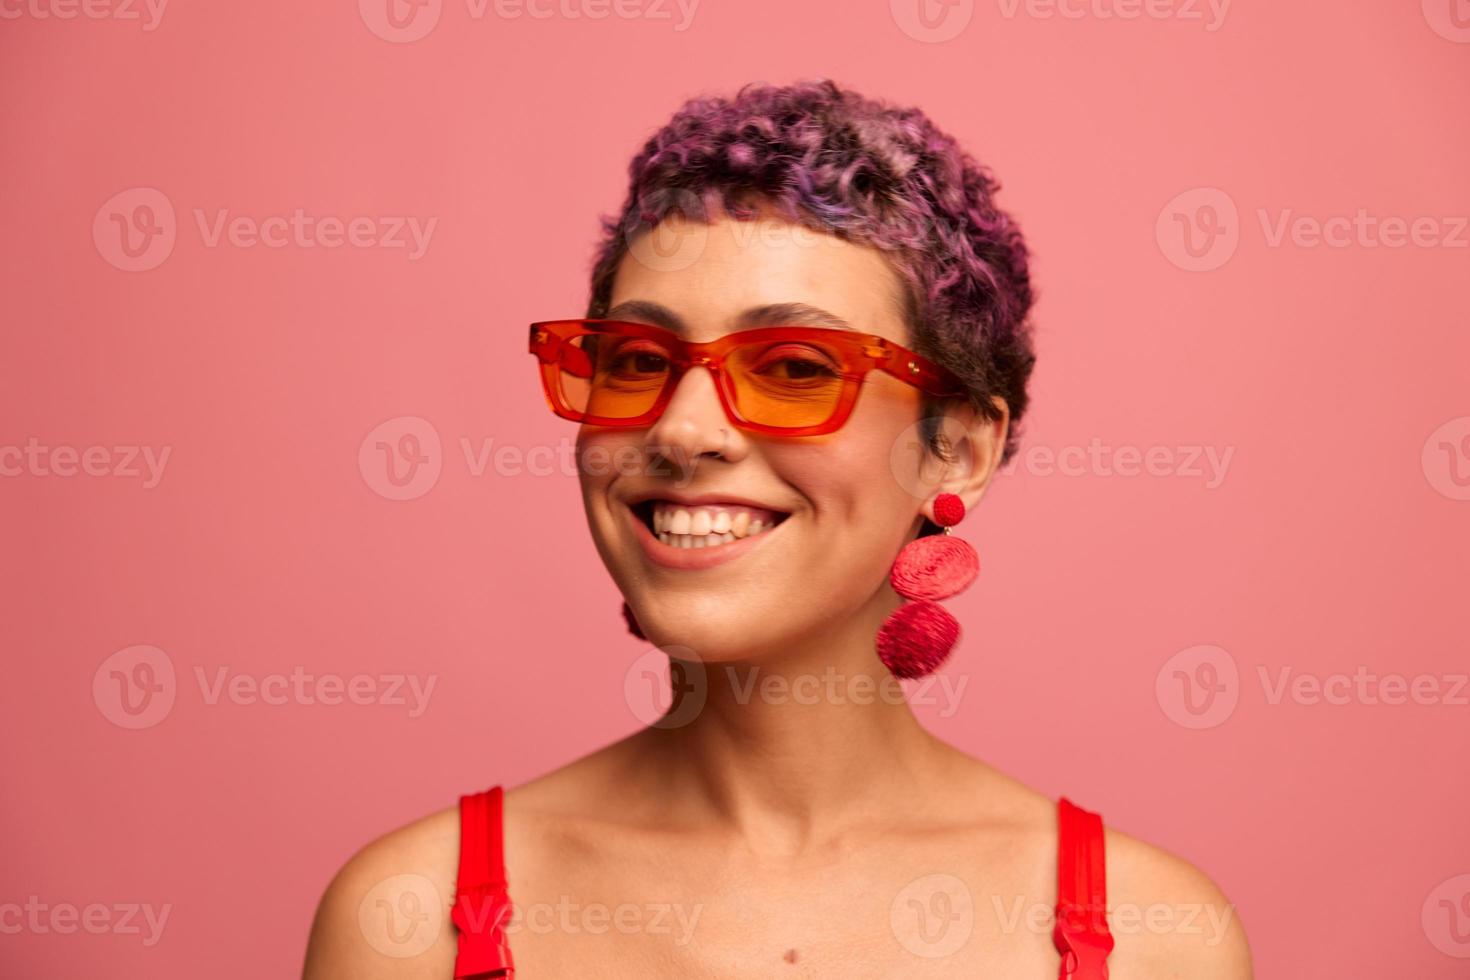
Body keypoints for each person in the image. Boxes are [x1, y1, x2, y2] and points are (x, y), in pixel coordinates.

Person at [303, 79, 1252, 979]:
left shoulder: (1148, 938)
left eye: (795, 368)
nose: (681, 429)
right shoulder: (411, 920)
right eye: (637, 359)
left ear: (956, 448)